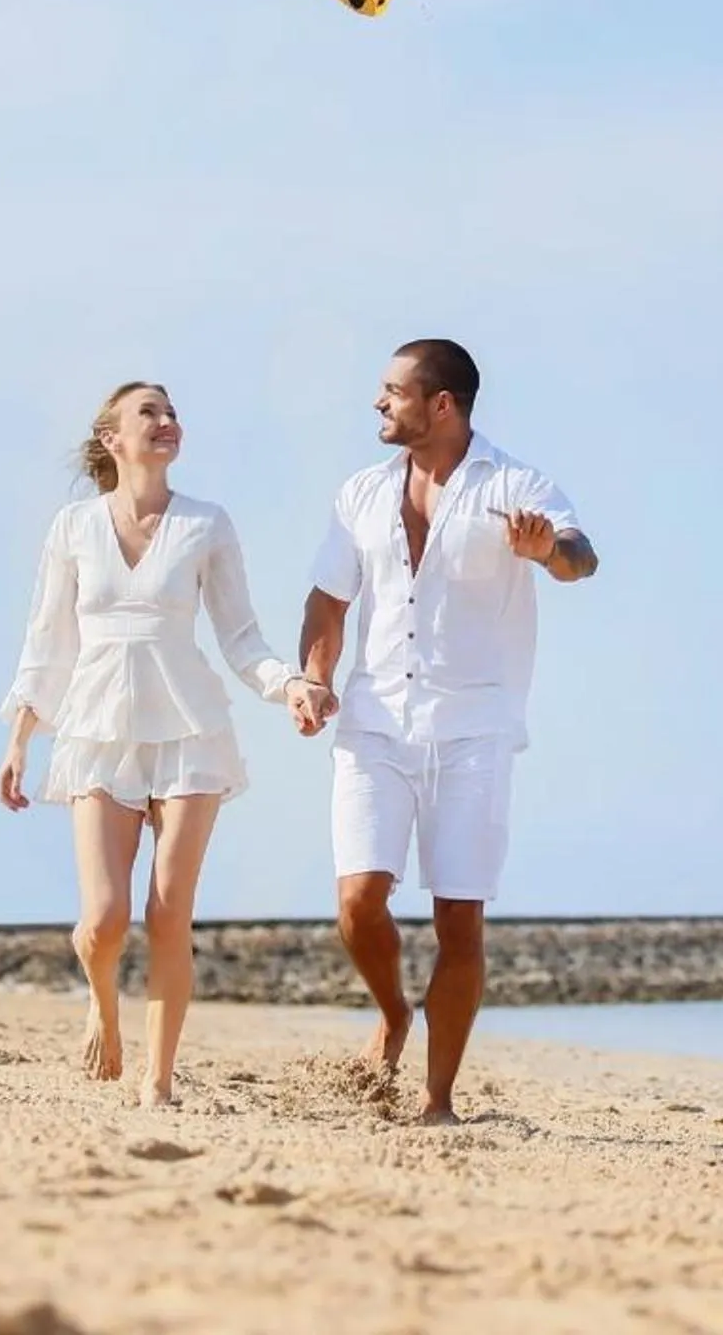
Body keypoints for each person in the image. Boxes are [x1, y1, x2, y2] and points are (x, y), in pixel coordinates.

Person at [284, 338, 598, 1124]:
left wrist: (546, 550)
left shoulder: (516, 484)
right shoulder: (359, 492)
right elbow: (328, 602)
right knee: (358, 903)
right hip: (374, 721)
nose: (379, 404)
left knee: (460, 917)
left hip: (474, 730)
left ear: (442, 405)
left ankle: (437, 1100)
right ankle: (393, 1013)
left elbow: (581, 558)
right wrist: (315, 678)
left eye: (393, 391)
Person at [0, 380, 295, 1107]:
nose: (166, 422)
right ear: (112, 439)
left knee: (168, 911)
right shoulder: (73, 527)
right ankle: (102, 1006)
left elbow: (240, 635)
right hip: (98, 730)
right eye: (148, 414)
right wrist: (20, 740)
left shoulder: (206, 524)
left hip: (191, 728)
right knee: (102, 924)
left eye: (170, 412)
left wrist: (290, 687)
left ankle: (157, 1083)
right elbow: (48, 642)